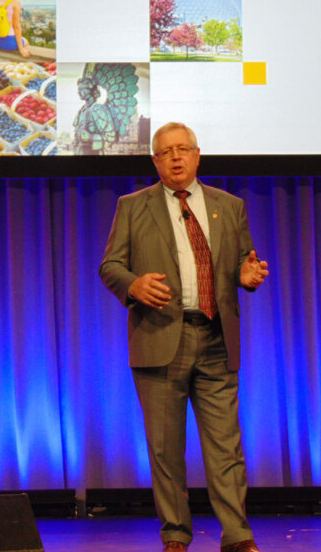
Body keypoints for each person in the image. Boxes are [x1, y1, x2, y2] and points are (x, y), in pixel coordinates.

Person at [99, 122, 269, 552]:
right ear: (155, 161)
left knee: (226, 448)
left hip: (215, 337)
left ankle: (237, 535)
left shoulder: (229, 206)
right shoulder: (133, 206)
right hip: (159, 340)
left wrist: (246, 277)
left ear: (198, 155)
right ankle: (176, 533)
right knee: (165, 449)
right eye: (166, 152)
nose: (176, 157)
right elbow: (110, 266)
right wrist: (133, 285)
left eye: (183, 149)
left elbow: (241, 264)